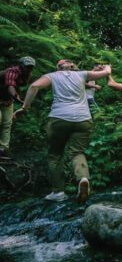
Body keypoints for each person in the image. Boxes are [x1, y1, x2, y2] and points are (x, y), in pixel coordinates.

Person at [14, 59, 111, 203]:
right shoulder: (82, 75)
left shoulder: (52, 76)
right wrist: (107, 67)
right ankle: (83, 178)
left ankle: (58, 192)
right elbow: (106, 73)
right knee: (77, 152)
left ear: (57, 67)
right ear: (72, 66)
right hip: (83, 119)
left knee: (55, 155)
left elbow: (34, 86)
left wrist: (25, 108)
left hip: (59, 119)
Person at [0, 56, 36, 160]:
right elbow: (10, 86)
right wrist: (17, 99)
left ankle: (2, 150)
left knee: (7, 123)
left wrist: (16, 97)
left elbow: (16, 87)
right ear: (21, 65)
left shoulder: (26, 74)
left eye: (31, 67)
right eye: (27, 66)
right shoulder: (12, 71)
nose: (29, 69)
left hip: (6, 101)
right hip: (6, 97)